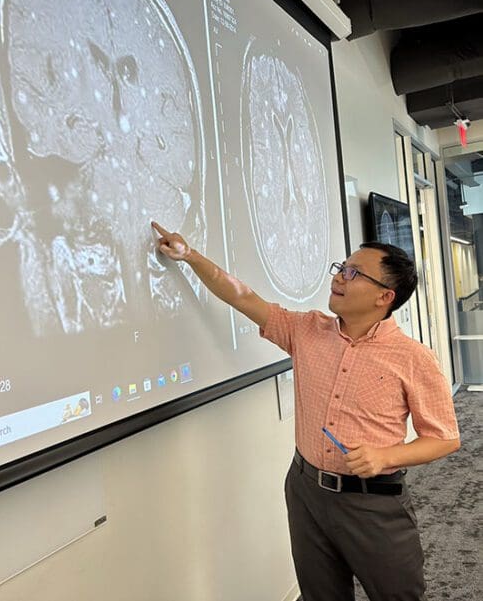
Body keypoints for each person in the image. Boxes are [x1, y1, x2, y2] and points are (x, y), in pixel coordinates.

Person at [151, 221, 460, 601]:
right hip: (305, 491)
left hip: (373, 504)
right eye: (341, 268)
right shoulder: (307, 331)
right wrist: (190, 256)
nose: (339, 278)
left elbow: (445, 438)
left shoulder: (414, 358)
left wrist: (387, 455)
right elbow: (243, 297)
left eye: (353, 273)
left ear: (384, 297)